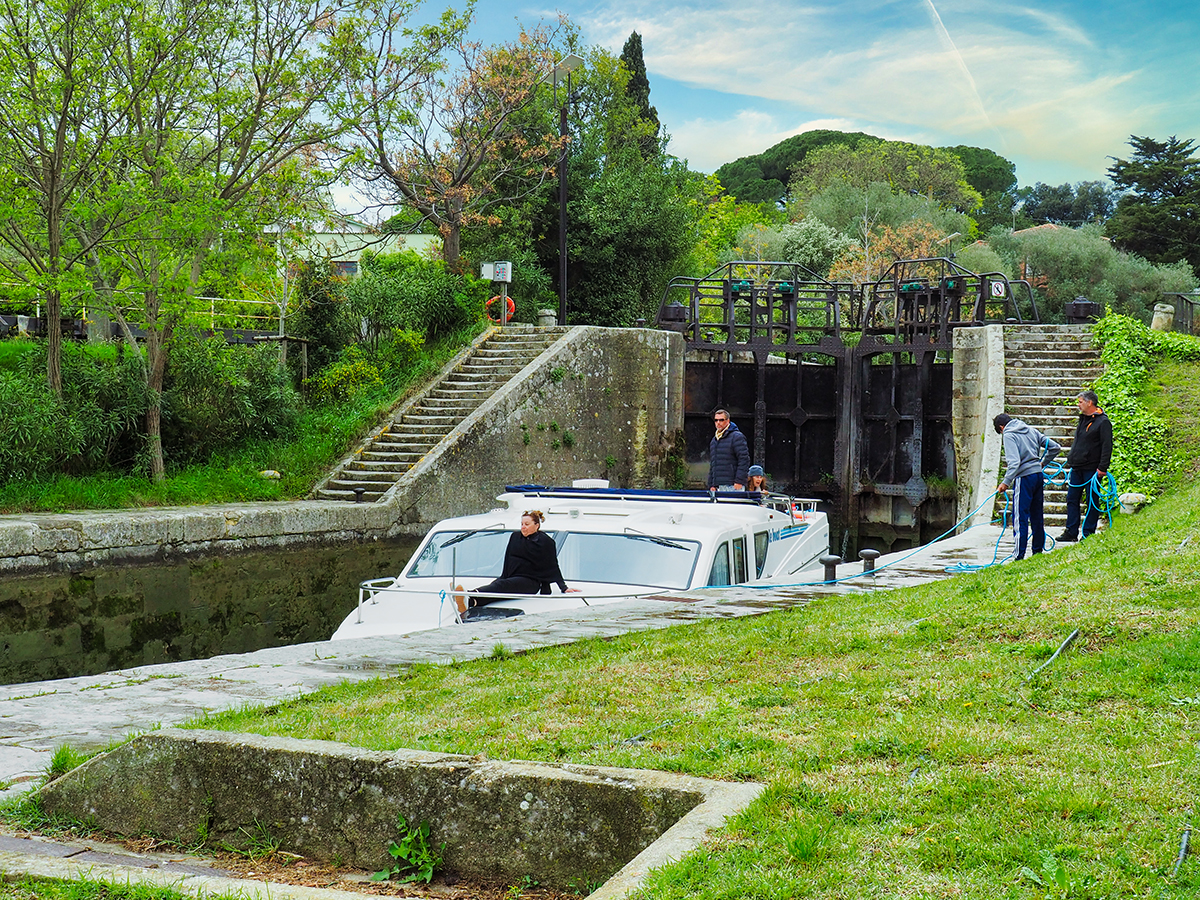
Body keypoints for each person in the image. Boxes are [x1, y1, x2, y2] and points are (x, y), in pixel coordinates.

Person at [454, 510, 578, 617]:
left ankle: (469, 595)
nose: (523, 527)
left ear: (537, 525)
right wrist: (504, 575)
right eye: (522, 524)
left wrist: (564, 587)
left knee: (502, 585)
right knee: (498, 585)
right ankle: (472, 602)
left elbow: (552, 565)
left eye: (527, 524)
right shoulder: (515, 537)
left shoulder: (546, 542)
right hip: (512, 576)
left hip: (531, 582)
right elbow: (509, 559)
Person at [994, 412, 1061, 561]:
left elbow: (1014, 462)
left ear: (1001, 427)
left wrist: (1005, 482)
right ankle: (1037, 552)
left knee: (1019, 517)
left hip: (1023, 478)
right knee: (1037, 515)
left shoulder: (1009, 434)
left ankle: (1019, 555)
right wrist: (1043, 463)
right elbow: (1055, 447)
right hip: (1037, 476)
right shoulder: (1031, 430)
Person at [1057, 390, 1113, 542]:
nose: (1078, 405)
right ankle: (1071, 531)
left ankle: (1088, 532)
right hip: (1077, 467)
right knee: (1072, 498)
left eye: (1080, 402)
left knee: (1092, 500)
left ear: (1089, 403)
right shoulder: (1082, 419)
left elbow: (1107, 446)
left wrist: (1102, 467)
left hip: (1092, 469)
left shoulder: (1103, 422)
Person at [707, 409, 749, 491]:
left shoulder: (737, 437)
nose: (718, 422)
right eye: (716, 420)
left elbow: (744, 459)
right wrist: (712, 484)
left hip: (733, 485)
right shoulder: (714, 440)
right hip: (718, 486)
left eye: (721, 420)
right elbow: (713, 464)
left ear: (728, 421)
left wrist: (739, 481)